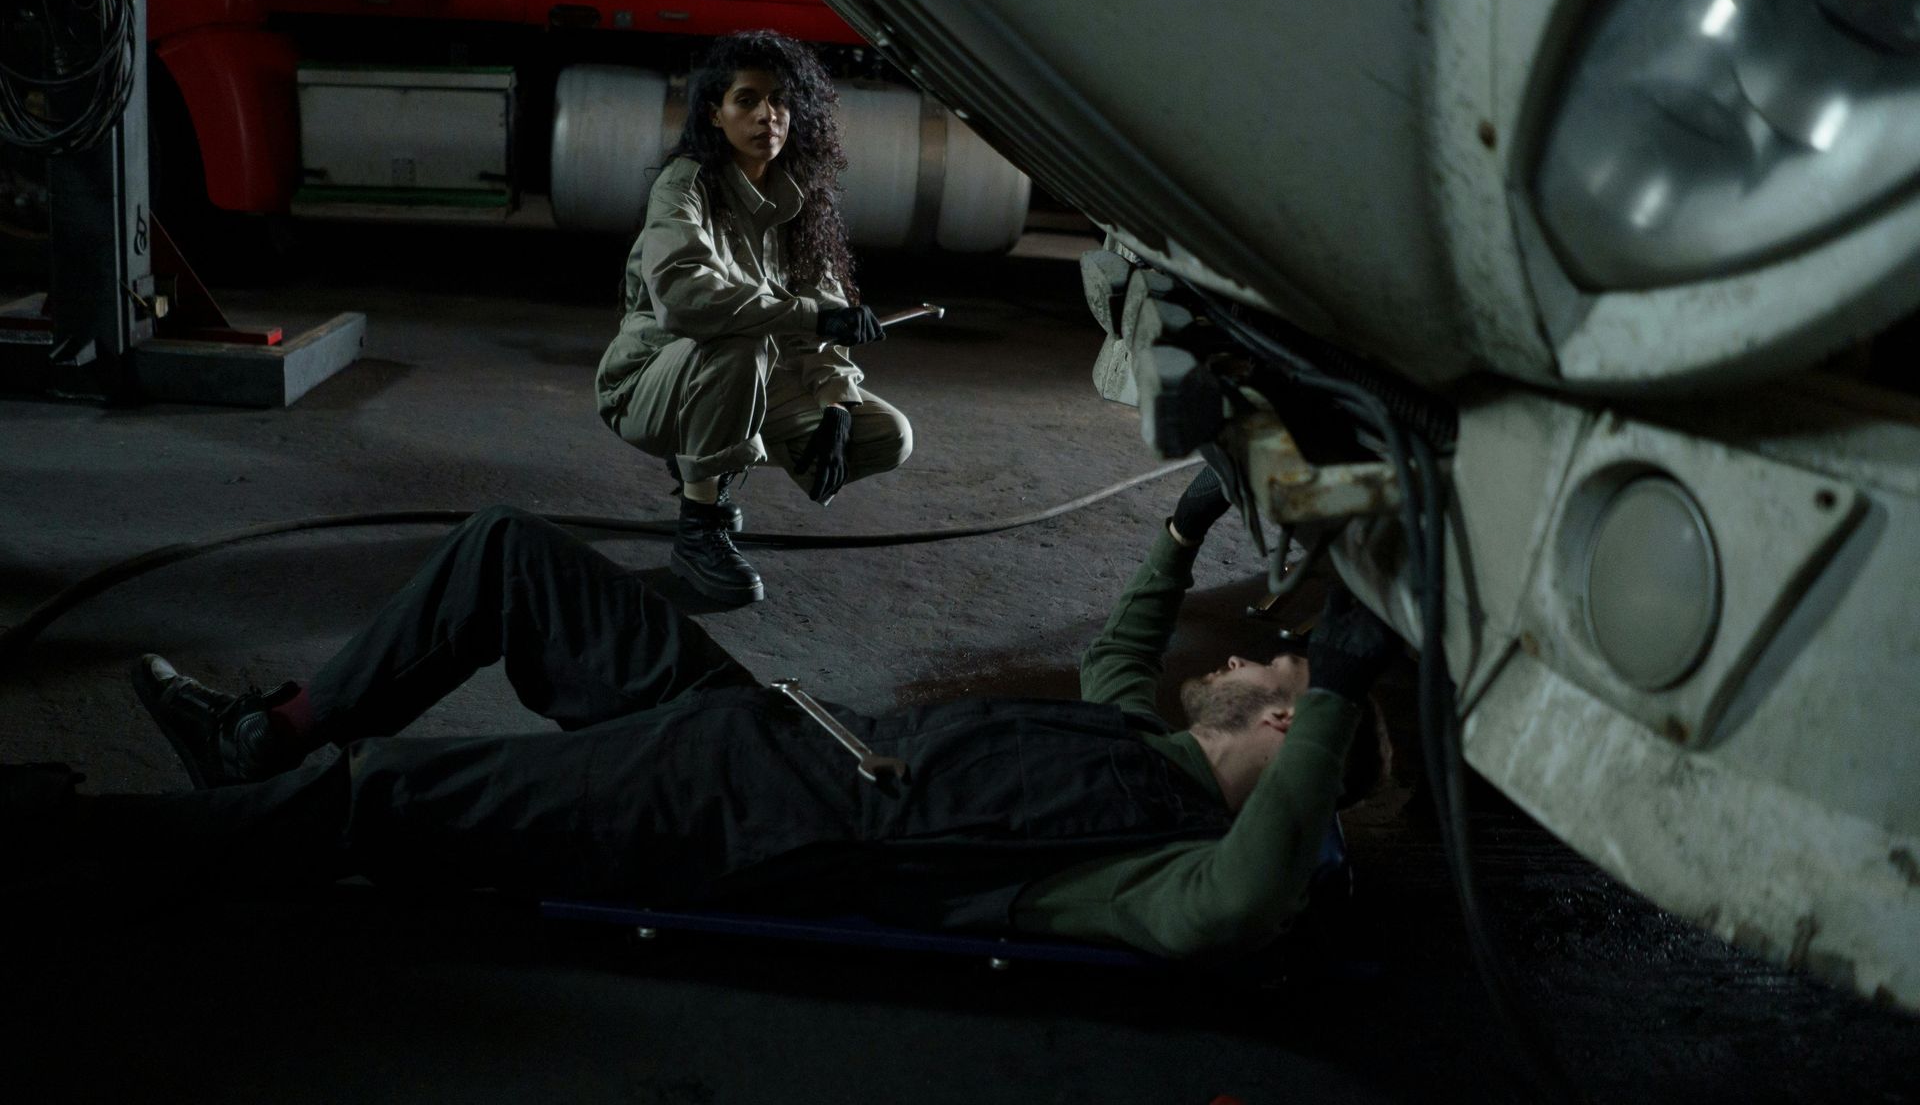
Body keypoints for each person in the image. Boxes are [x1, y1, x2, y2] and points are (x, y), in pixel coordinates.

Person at [4, 471, 1398, 960]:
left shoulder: (1159, 874)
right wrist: (1184, 521)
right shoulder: (1134, 744)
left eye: (1269, 674)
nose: (1240, 660)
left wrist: (1339, 683)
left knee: (392, 802)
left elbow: (1243, 904)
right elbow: (1125, 649)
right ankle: (269, 734)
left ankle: (82, 841)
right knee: (507, 555)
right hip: (766, 723)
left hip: (739, 816)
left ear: (1288, 735)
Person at [594, 30, 911, 608]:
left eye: (782, 101)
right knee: (741, 345)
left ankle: (716, 461)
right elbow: (685, 298)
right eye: (748, 100)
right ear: (716, 115)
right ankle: (699, 529)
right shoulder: (685, 185)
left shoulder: (801, 198)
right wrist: (809, 319)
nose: (769, 115)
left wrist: (837, 404)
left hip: (747, 380)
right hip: (648, 384)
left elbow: (827, 307)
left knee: (888, 436)